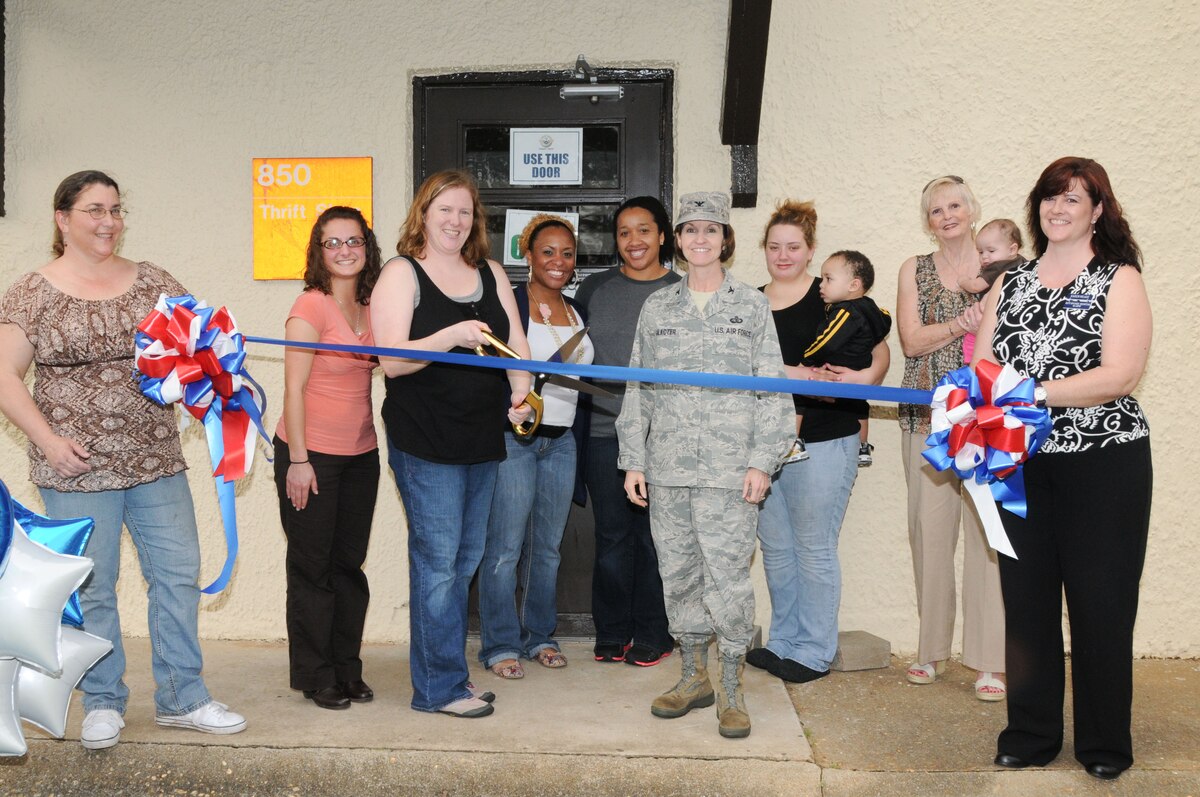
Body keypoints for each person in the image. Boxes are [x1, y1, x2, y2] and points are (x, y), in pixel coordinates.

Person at [0, 170, 246, 750]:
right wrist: (50, 442)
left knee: (177, 574)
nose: (108, 221)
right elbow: (5, 379)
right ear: (63, 220)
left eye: (115, 209)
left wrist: (212, 373)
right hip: (75, 467)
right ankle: (104, 701)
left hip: (155, 459)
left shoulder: (152, 282)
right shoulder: (31, 293)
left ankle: (184, 697)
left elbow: (195, 348)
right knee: (94, 584)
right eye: (93, 210)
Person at [974, 157, 1152, 780]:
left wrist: (1033, 392)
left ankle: (1104, 744)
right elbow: (986, 367)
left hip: (1103, 463)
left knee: (1101, 604)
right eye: (1051, 197)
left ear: (1097, 210)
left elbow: (1120, 374)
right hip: (1018, 461)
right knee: (1025, 603)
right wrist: (973, 402)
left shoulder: (1118, 277)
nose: (1059, 208)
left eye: (1074, 199)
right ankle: (1029, 732)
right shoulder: (1010, 281)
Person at [617, 191, 793, 739]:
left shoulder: (751, 306)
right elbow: (637, 387)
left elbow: (774, 390)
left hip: (729, 471)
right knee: (679, 575)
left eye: (710, 230)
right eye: (690, 230)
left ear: (725, 240)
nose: (699, 240)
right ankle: (694, 677)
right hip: (668, 468)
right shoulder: (658, 307)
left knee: (727, 580)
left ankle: (733, 688)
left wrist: (764, 461)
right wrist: (633, 460)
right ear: (678, 240)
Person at [370, 170, 531, 718]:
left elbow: (515, 344)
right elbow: (392, 359)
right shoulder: (401, 272)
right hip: (425, 441)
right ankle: (440, 688)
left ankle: (448, 678)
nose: (455, 221)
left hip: (481, 437)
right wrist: (450, 336)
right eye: (445, 210)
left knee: (464, 562)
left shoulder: (488, 271)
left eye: (465, 212)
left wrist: (522, 391)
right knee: (439, 564)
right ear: (424, 213)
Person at [750, 202, 891, 685]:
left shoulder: (831, 293)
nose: (783, 255)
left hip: (827, 438)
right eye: (774, 246)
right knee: (777, 548)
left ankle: (813, 650)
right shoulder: (747, 301)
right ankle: (784, 641)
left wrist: (861, 383)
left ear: (810, 250)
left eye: (793, 246)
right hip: (765, 445)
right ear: (763, 250)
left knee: (813, 547)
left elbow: (878, 349)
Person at [896, 175, 1006, 701]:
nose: (947, 215)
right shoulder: (913, 269)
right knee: (929, 533)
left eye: (955, 204)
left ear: (972, 208)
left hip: (986, 415)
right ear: (928, 220)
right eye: (936, 209)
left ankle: (990, 660)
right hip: (927, 414)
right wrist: (962, 324)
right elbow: (912, 342)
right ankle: (930, 651)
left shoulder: (1002, 262)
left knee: (988, 537)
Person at [273, 206, 382, 710]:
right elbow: (292, 389)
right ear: (319, 251)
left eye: (353, 241)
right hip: (309, 454)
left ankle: (346, 668)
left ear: (367, 246)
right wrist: (298, 460)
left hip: (362, 454)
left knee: (348, 567)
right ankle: (316, 676)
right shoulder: (310, 306)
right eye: (333, 242)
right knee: (312, 568)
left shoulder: (372, 303)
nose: (344, 250)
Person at [478, 214, 593, 679]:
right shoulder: (510, 306)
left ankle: (540, 635)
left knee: (547, 549)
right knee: (505, 549)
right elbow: (489, 368)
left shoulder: (576, 309)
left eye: (567, 253)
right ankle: (501, 644)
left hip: (561, 442)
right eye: (547, 251)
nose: (558, 261)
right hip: (515, 441)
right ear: (526, 256)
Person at [575, 196, 679, 667]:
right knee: (613, 537)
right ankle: (613, 631)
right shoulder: (594, 290)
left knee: (657, 538)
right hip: (603, 432)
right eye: (623, 232)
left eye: (643, 230)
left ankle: (655, 632)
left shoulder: (684, 290)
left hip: (665, 437)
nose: (633, 241)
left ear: (662, 236)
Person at [798, 250, 892, 468]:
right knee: (858, 405)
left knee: (799, 397)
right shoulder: (871, 307)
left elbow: (827, 341)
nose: (821, 285)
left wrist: (805, 362)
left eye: (828, 279)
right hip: (858, 369)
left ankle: (795, 441)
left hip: (839, 367)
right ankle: (862, 446)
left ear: (853, 285)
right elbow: (885, 319)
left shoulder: (845, 311)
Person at [960, 218, 1025, 362]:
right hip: (1010, 318)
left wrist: (963, 281)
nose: (984, 257)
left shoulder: (998, 266)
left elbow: (976, 286)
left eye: (991, 250)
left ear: (1012, 249)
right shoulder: (1023, 264)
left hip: (991, 315)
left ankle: (972, 362)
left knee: (971, 339)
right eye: (980, 252)